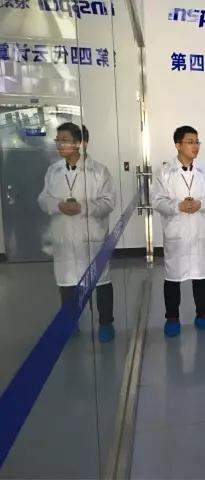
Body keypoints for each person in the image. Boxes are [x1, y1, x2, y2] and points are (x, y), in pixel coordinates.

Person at [38, 122, 116, 343]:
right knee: (67, 282)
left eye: (64, 140)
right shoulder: (53, 171)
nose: (59, 144)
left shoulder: (99, 171)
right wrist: (59, 205)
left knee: (100, 281)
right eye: (58, 140)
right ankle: (70, 322)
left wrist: (83, 207)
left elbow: (109, 202)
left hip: (91, 236)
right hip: (64, 236)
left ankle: (106, 323)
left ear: (79, 143)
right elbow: (43, 199)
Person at [151, 125, 205, 337]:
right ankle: (172, 318)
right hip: (177, 233)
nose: (195, 146)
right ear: (178, 145)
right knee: (173, 277)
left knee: (201, 276)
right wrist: (177, 206)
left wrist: (200, 204)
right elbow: (157, 201)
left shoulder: (204, 171)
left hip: (200, 232)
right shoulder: (164, 172)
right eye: (190, 142)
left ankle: (203, 314)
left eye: (197, 142)